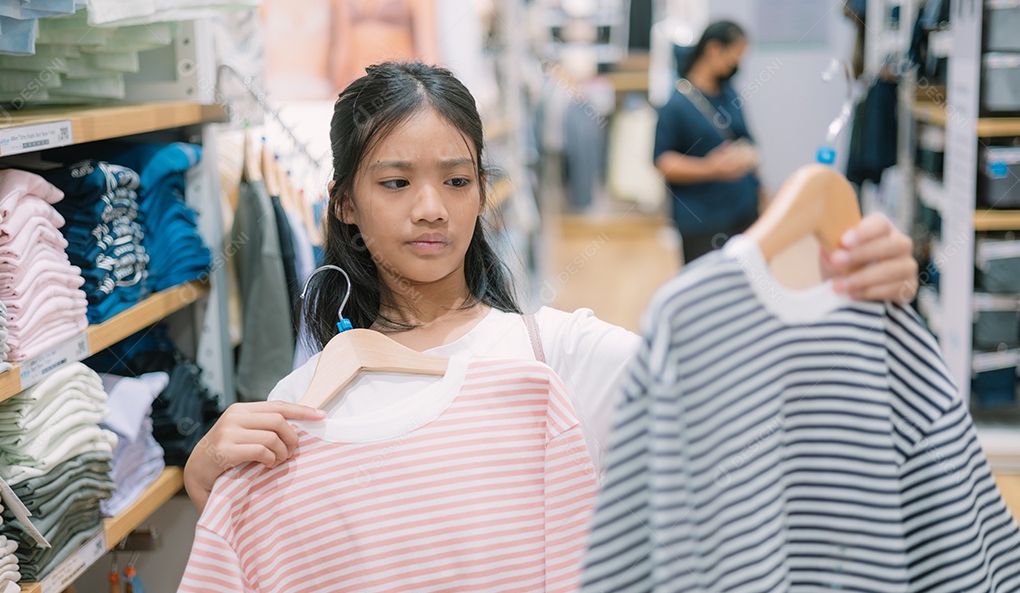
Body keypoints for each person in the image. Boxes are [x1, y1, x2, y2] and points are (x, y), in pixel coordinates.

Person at [183, 60, 919, 514]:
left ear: (482, 193)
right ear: (343, 202)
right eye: (396, 182)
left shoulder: (556, 358)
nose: (432, 207)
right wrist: (202, 472)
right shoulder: (301, 404)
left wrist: (852, 303)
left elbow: (749, 400)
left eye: (457, 180)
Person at [654, 20, 762, 264]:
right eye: (735, 56)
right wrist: (711, 168)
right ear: (713, 50)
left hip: (743, 209)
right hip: (702, 220)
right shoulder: (676, 104)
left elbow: (745, 137)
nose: (737, 65)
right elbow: (662, 161)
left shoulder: (728, 93)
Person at [328, 0, 441, 94]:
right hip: (358, 82)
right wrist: (338, 91)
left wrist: (429, 89)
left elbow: (428, 47)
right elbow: (341, 48)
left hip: (399, 84)